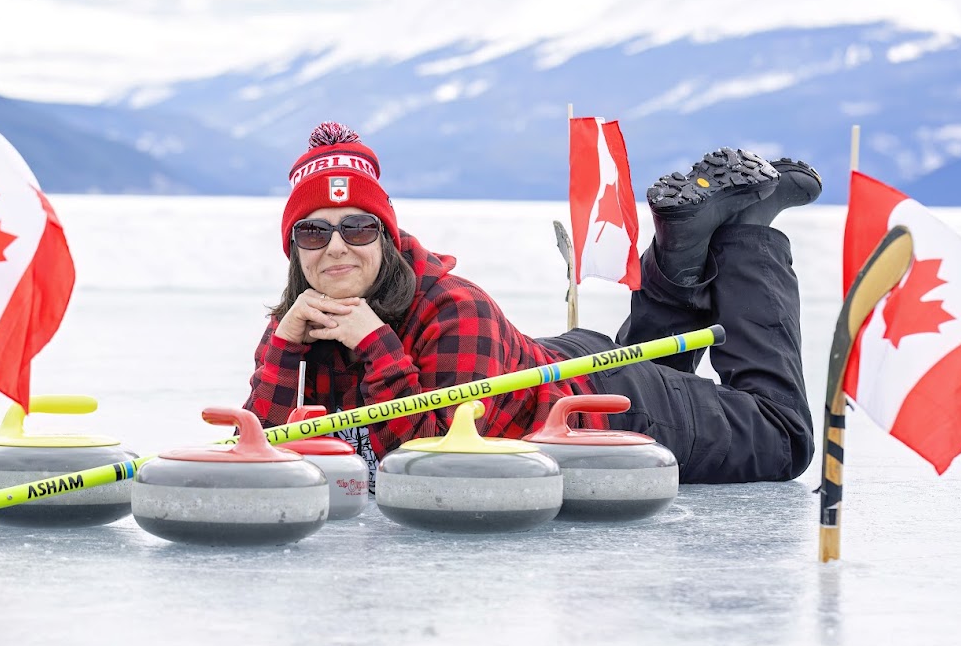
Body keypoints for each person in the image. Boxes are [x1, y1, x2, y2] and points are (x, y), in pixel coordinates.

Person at [243, 121, 822, 486]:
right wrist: (283, 351)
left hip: (607, 411)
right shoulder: (302, 319)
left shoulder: (453, 309)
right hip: (560, 367)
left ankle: (747, 233)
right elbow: (264, 456)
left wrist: (377, 346)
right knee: (667, 368)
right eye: (313, 232)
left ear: (386, 237)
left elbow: (435, 465)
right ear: (294, 249)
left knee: (781, 436)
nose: (336, 247)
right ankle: (683, 243)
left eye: (358, 227)